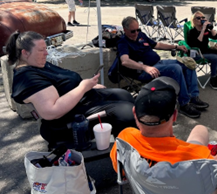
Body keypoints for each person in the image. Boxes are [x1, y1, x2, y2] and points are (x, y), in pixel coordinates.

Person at [110, 77, 217, 194]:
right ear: (175, 116)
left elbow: (121, 172)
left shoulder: (125, 139)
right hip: (196, 183)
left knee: (200, 129)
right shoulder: (204, 159)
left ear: (134, 113)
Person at [7, 30, 136, 149]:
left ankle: (125, 143)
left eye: (46, 49)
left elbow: (64, 83)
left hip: (83, 99)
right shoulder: (27, 77)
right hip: (69, 120)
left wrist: (89, 85)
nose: (46, 53)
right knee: (128, 113)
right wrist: (83, 87)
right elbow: (52, 111)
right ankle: (127, 155)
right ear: (25, 53)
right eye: (41, 50)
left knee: (124, 95)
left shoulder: (38, 64)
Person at [117, 16, 209, 119]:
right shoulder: (123, 42)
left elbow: (157, 44)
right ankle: (184, 104)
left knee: (188, 64)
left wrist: (176, 47)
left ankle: (194, 97)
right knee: (175, 68)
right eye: (133, 31)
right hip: (144, 71)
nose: (136, 33)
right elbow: (125, 61)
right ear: (125, 30)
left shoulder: (141, 35)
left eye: (138, 29)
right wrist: (145, 67)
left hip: (158, 63)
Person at [187, 11, 217, 90]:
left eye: (203, 18)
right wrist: (202, 30)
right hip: (196, 53)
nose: (201, 19)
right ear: (194, 20)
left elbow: (215, 37)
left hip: (206, 51)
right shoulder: (191, 32)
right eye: (198, 18)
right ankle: (213, 78)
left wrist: (211, 28)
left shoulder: (206, 30)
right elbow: (197, 43)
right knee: (215, 57)